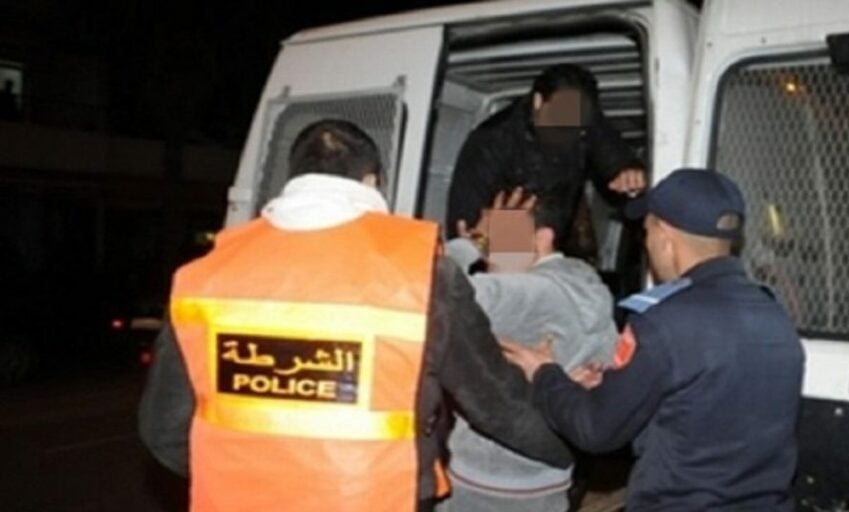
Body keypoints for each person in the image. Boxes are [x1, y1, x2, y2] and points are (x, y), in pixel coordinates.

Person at [138, 119, 572, 512]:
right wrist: (572, 447)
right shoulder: (422, 274)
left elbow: (164, 430)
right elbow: (497, 404)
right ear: (372, 181)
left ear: (295, 179)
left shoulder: (205, 275)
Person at [501, 168, 806, 511]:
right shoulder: (775, 315)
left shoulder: (663, 323)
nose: (646, 244)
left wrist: (545, 374)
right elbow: (709, 410)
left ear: (664, 236)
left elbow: (596, 430)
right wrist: (620, 386)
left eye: (647, 231)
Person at [440, 188, 618, 512]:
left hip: (489, 486)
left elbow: (432, 285)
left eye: (500, 235)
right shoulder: (586, 285)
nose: (491, 248)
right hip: (549, 479)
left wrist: (471, 243)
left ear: (543, 238)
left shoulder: (533, 294)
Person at [444, 64, 646, 259]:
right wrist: (484, 246)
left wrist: (628, 171)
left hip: (554, 238)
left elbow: (614, 156)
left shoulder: (586, 119)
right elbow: (465, 227)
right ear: (538, 101)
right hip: (507, 235)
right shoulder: (492, 140)